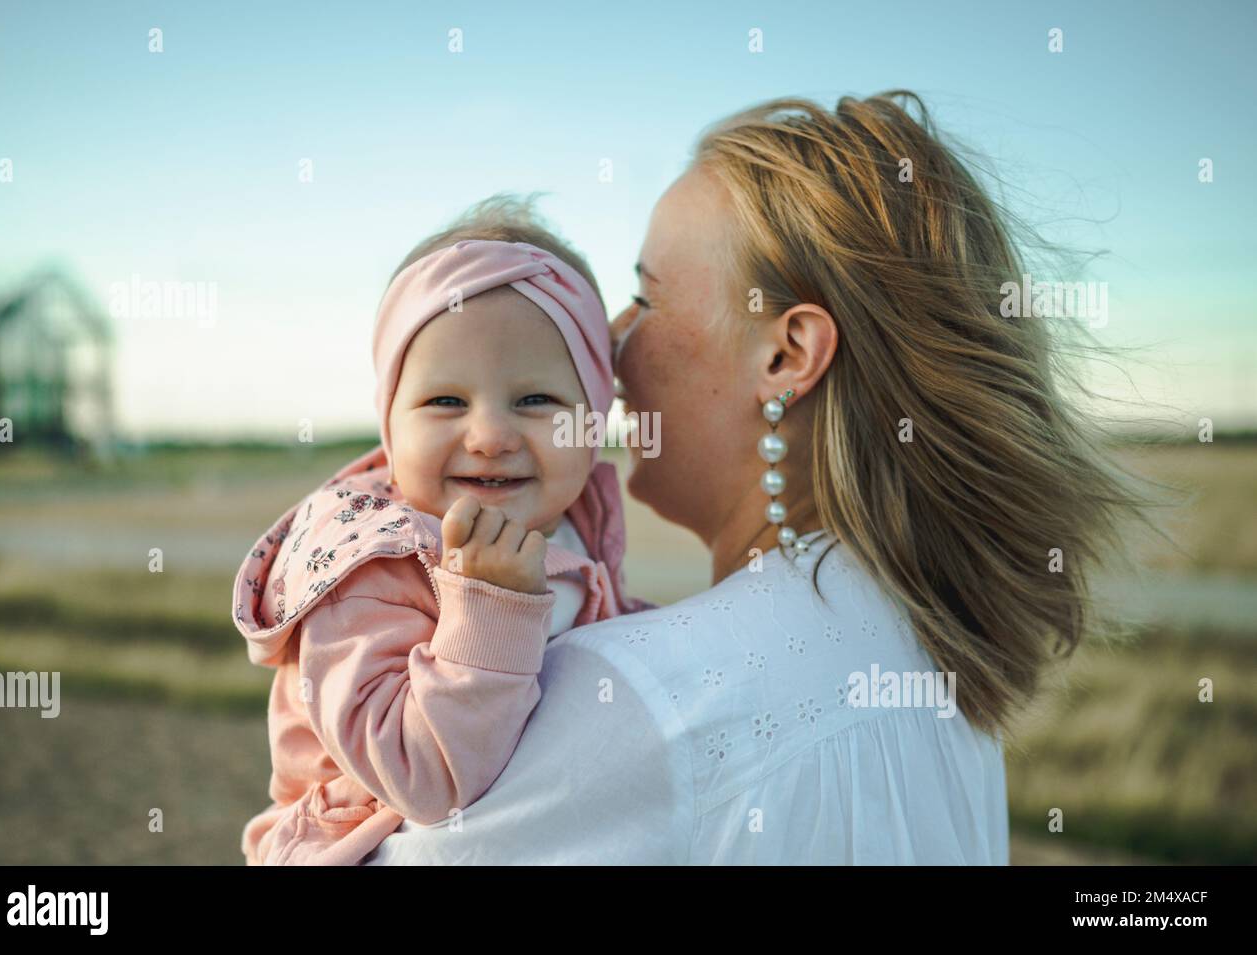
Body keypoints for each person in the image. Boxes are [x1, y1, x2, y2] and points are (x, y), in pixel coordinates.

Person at [363, 92, 1142, 864]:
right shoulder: (930, 652)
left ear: (786, 355)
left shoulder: (646, 701)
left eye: (645, 296)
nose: (610, 345)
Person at [232, 200, 650, 865]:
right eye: (446, 401)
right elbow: (423, 780)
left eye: (536, 400)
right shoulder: (368, 564)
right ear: (389, 424)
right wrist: (489, 606)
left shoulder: (577, 526)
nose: (489, 437)